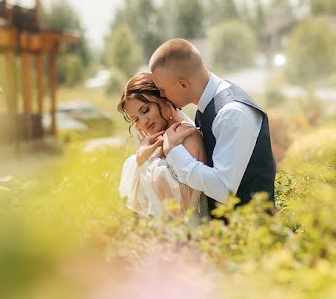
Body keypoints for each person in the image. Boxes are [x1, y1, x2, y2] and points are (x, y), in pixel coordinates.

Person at [149, 39, 276, 216]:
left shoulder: (231, 113)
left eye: (162, 89)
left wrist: (173, 151)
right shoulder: (207, 107)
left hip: (252, 234)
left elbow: (223, 189)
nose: (162, 95)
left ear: (183, 85)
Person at [117, 72, 207, 220]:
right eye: (136, 119)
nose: (144, 121)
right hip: (165, 235)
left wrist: (144, 162)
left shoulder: (187, 135)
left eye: (146, 110)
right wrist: (144, 157)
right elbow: (142, 205)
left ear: (163, 97)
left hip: (186, 235)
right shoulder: (159, 141)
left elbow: (179, 208)